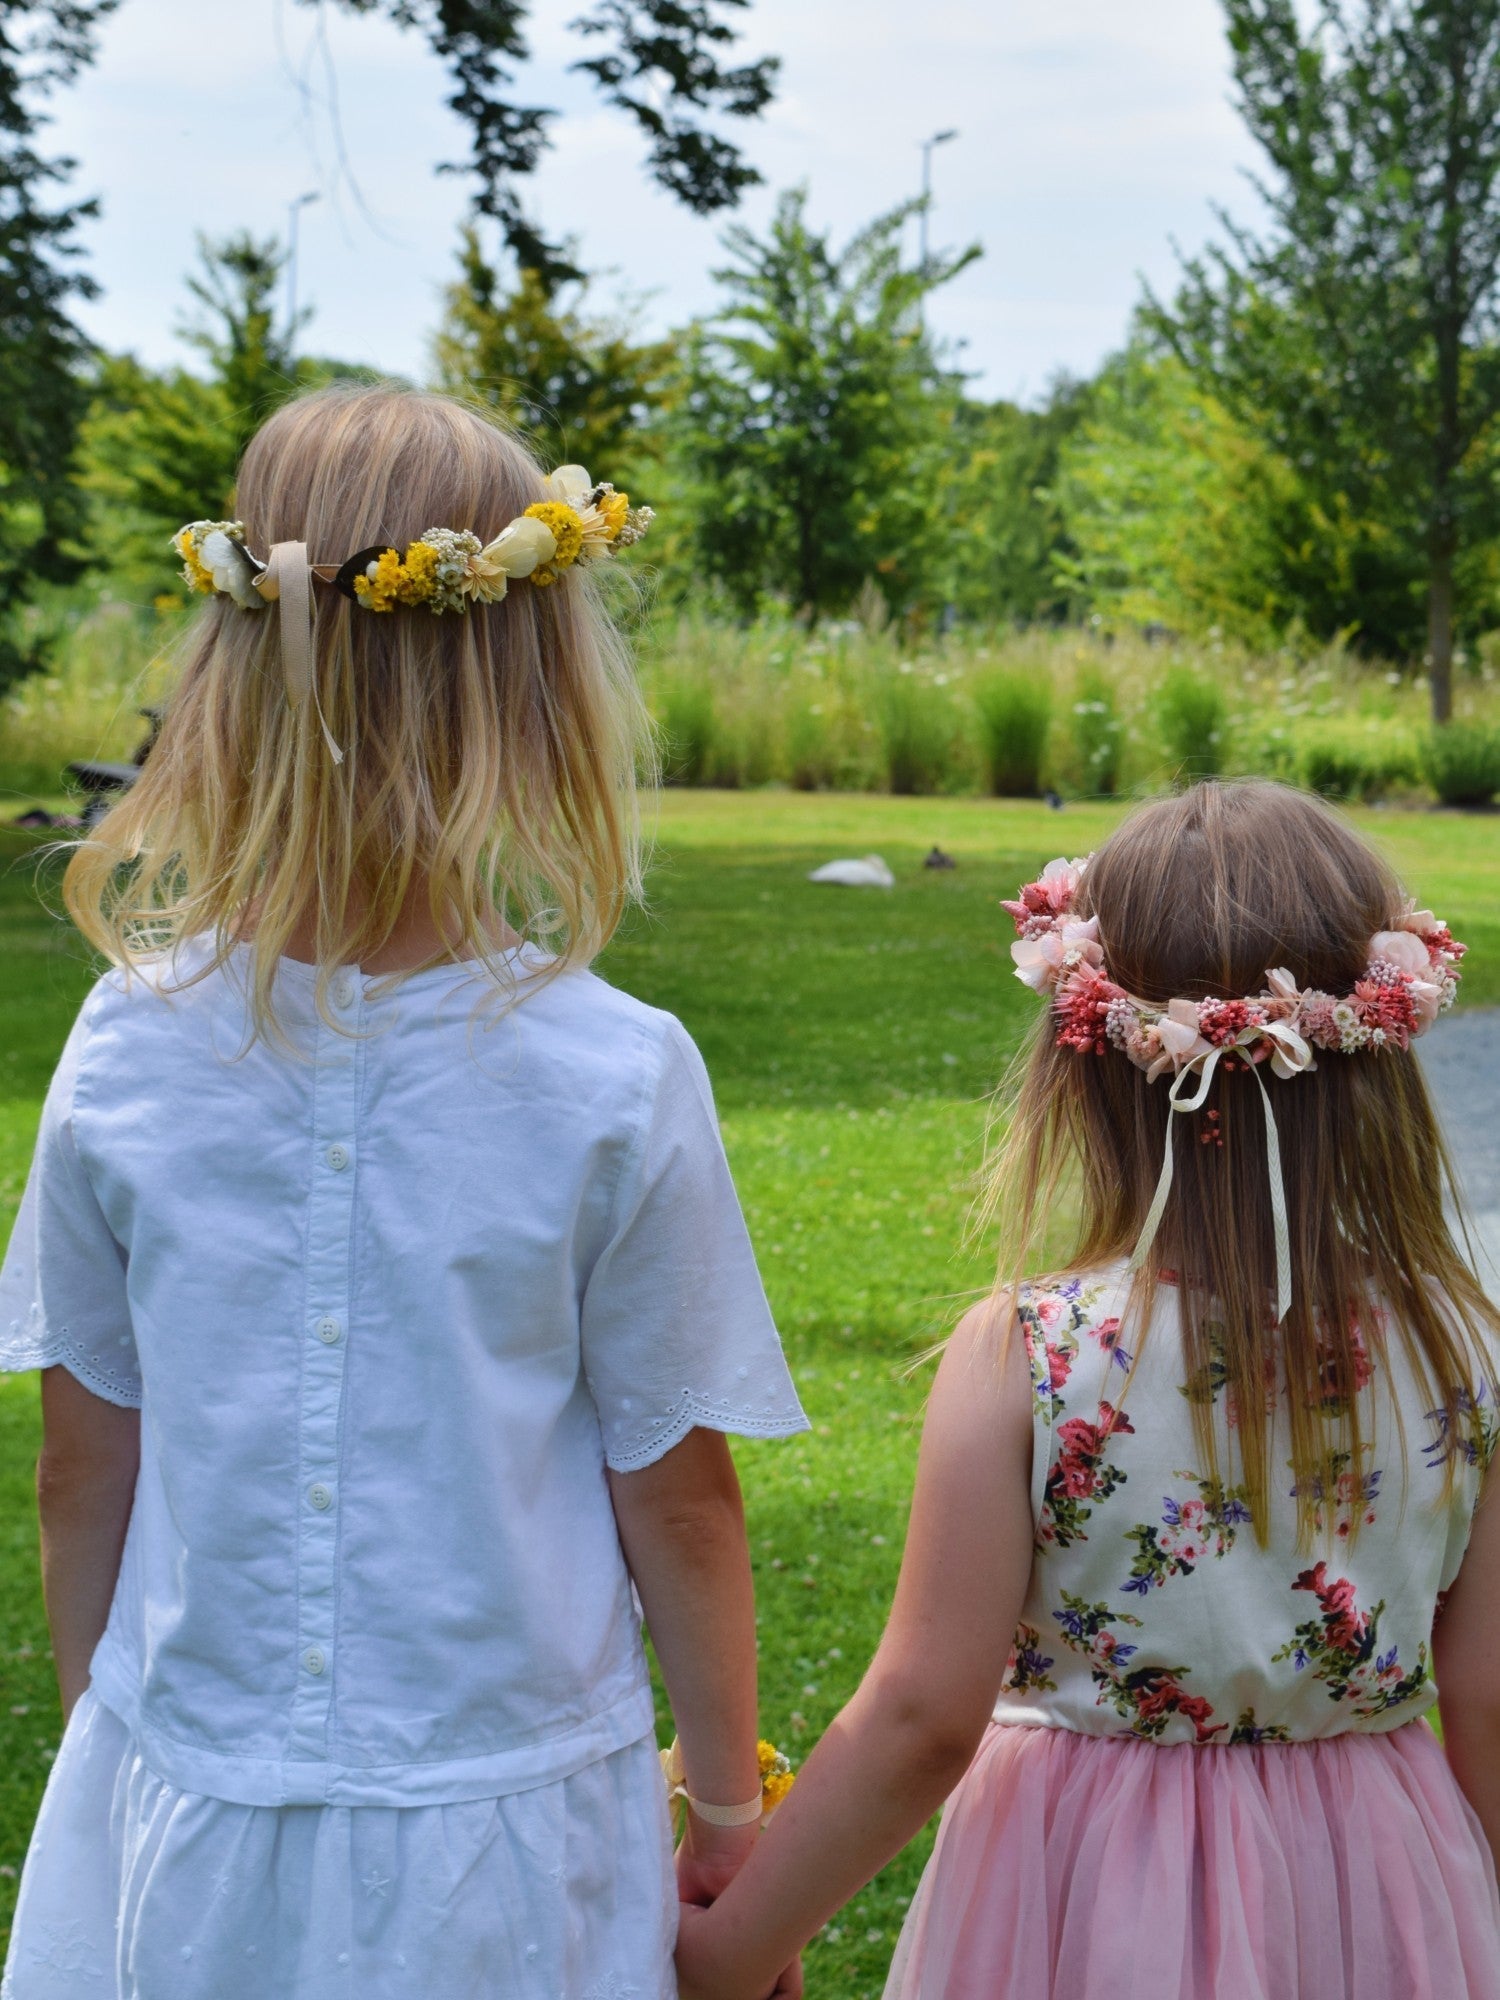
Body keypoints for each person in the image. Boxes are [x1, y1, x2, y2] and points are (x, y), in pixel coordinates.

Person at [0, 386, 809, 2000]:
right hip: (507, 1862)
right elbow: (680, 1502)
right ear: (533, 700)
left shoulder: (122, 1052)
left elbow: (82, 1461)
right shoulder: (613, 1076)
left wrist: (124, 1747)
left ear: (231, 676)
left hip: (193, 1826)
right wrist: (726, 1814)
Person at [676, 780, 1500, 2000]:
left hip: (1094, 1873)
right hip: (1374, 1872)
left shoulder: (1033, 1352)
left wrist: (732, 1949)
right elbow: (1486, 1691)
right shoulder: (1463, 1353)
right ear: (1378, 1059)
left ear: (1088, 1068)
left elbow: (920, 1718)